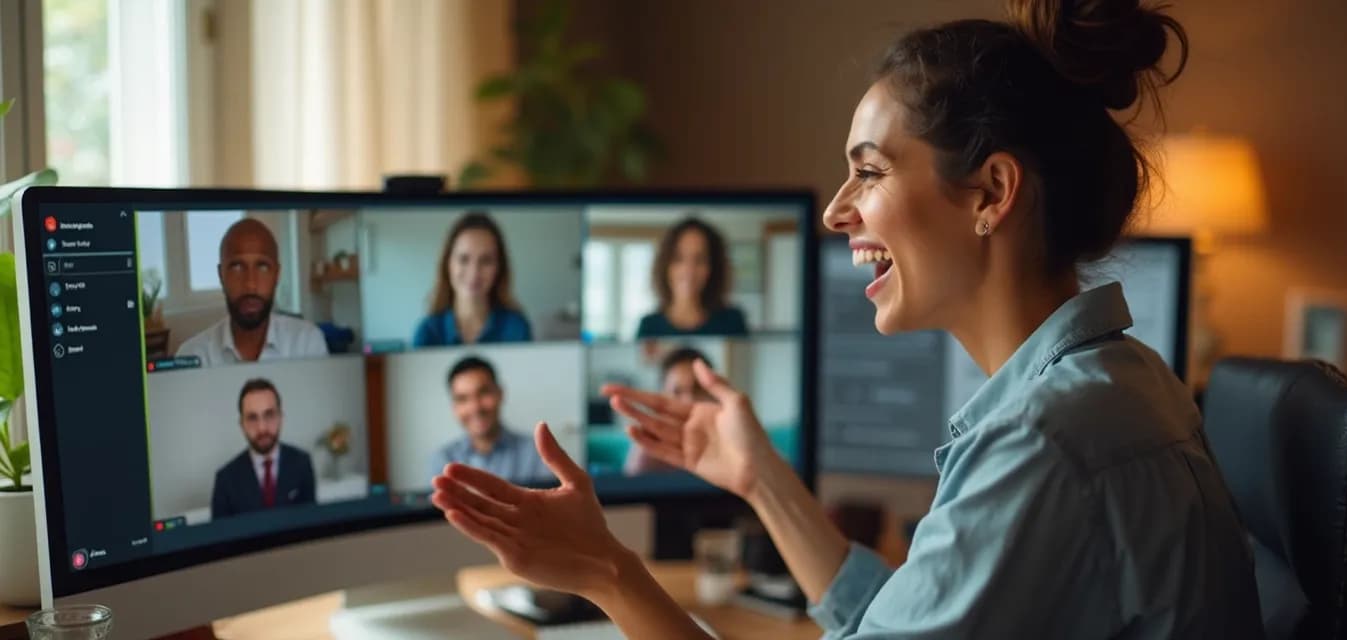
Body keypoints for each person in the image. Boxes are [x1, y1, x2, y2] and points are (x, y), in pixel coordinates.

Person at [429, 0, 1264, 637]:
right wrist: (760, 479)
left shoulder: (1045, 442)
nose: (837, 212)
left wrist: (608, 572)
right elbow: (903, 616)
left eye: (868, 173)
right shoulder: (1121, 381)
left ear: (992, 194)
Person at [177, 218, 328, 366]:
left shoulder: (307, 345)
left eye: (262, 267)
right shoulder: (193, 356)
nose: (250, 284)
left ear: (277, 274)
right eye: (237, 267)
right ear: (221, 275)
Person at [413, 212, 533, 347]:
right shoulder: (428, 332)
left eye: (486, 261)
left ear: (499, 268)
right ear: (448, 264)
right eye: (463, 259)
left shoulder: (516, 329)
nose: (474, 272)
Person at [429, 356, 553, 484]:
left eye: (483, 393)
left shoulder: (536, 452)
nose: (475, 407)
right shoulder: (443, 459)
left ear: (500, 394)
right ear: (454, 407)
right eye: (462, 399)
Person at [211, 379, 317, 518]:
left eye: (269, 415)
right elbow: (221, 535)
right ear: (242, 424)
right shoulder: (225, 479)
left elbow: (312, 525)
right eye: (252, 418)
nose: (262, 428)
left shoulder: (302, 463)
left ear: (280, 417)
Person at [634, 217, 748, 338]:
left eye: (699, 259)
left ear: (713, 268)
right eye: (678, 258)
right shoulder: (649, 327)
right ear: (665, 265)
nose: (689, 270)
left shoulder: (732, 323)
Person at [622, 347, 712, 476]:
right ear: (662, 397)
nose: (689, 401)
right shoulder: (650, 444)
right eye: (677, 391)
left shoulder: (727, 440)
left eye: (698, 389)